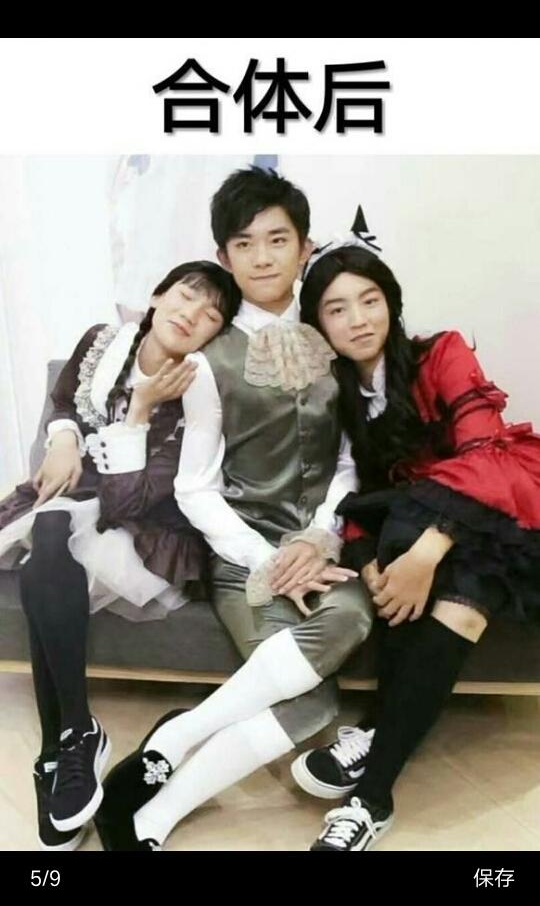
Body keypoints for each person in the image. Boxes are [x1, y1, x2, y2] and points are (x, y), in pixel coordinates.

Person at [96, 167, 374, 851]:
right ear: (224, 255)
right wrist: (270, 558)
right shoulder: (207, 360)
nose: (262, 258)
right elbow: (195, 487)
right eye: (243, 244)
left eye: (277, 240)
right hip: (243, 557)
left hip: (323, 548)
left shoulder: (333, 333)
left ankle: (175, 742)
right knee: (314, 702)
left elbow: (348, 460)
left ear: (304, 247)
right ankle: (156, 819)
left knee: (353, 614)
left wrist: (318, 536)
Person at [293, 221, 540, 851]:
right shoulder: (340, 395)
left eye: (370, 300)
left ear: (391, 301)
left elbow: (484, 456)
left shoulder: (442, 352)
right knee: (395, 544)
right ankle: (380, 732)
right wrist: (370, 564)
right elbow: (360, 492)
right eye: (337, 309)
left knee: (456, 589)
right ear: (318, 323)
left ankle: (369, 799)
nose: (358, 320)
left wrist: (426, 552)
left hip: (503, 509)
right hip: (411, 523)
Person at [0, 261, 241, 850]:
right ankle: (74, 738)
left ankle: (61, 746)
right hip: (71, 496)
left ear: (216, 334)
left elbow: (127, 500)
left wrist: (139, 410)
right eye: (186, 295)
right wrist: (62, 439)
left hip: (140, 523)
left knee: (48, 542)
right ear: (157, 296)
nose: (192, 314)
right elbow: (64, 400)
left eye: (211, 315)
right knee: (49, 535)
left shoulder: (198, 391)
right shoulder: (102, 342)